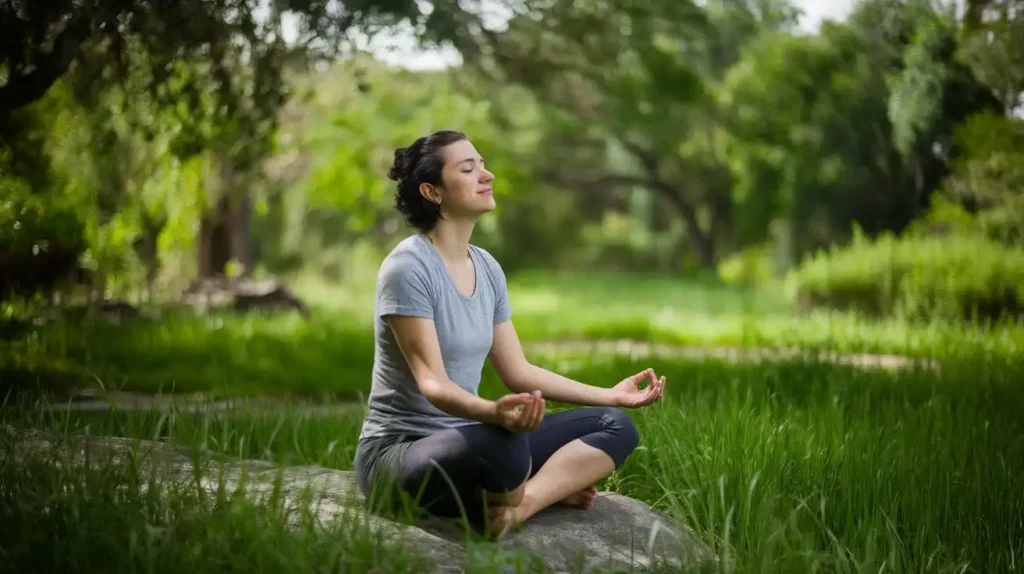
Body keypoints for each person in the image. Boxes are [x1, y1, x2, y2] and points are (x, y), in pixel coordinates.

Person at [353, 129, 666, 539]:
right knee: (504, 444)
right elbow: (432, 382)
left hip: (469, 438)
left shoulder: (487, 267)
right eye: (469, 168)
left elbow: (518, 372)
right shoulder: (408, 269)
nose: (487, 175)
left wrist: (612, 394)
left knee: (615, 425)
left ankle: (519, 507)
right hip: (401, 454)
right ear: (433, 192)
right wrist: (494, 414)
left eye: (482, 164)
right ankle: (543, 488)